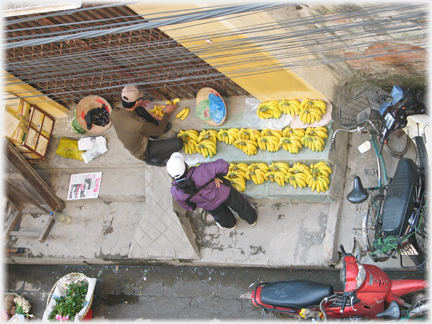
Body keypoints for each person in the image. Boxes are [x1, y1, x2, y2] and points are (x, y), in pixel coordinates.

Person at [166, 152, 257, 229]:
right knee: (240, 204)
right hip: (223, 192)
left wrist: (196, 204)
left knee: (222, 216)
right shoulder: (202, 170)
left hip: (208, 205)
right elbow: (223, 165)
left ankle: (231, 225)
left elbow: (188, 206)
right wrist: (217, 177)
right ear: (186, 165)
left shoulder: (176, 191)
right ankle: (251, 219)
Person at [110, 84, 183, 166]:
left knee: (139, 110)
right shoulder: (139, 124)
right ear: (136, 102)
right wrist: (167, 113)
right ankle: (153, 159)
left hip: (134, 139)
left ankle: (155, 133)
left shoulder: (114, 113)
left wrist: (137, 106)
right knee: (178, 143)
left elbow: (129, 115)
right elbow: (158, 131)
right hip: (143, 152)